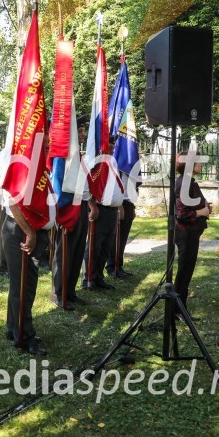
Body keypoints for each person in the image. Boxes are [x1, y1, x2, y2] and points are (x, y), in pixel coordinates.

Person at [0, 187, 55, 356]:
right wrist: (29, 232)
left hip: (32, 231)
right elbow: (13, 200)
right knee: (24, 288)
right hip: (22, 231)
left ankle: (13, 328)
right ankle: (25, 336)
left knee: (22, 285)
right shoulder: (26, 169)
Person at [51, 115, 92, 307]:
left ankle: (70, 291)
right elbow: (58, 184)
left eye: (83, 130)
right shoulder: (64, 155)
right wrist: (63, 213)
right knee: (65, 252)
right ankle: (59, 293)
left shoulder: (77, 155)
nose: (83, 134)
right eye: (80, 131)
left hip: (80, 205)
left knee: (77, 250)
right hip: (69, 208)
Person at [82, 135, 125, 291]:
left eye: (113, 145)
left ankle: (99, 277)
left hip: (112, 210)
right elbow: (87, 185)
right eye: (109, 146)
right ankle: (89, 279)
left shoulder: (111, 161)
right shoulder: (96, 162)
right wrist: (92, 205)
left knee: (106, 246)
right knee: (95, 246)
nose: (112, 148)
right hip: (100, 209)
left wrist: (119, 206)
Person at [174, 150, 212, 316]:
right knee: (184, 271)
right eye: (198, 161)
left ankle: (180, 307)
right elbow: (182, 213)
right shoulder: (185, 183)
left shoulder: (188, 182)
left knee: (186, 270)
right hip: (186, 233)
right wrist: (201, 212)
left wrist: (204, 207)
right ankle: (177, 309)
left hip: (191, 232)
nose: (201, 164)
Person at [106, 169, 139, 278]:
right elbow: (116, 188)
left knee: (123, 238)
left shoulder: (129, 168)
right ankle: (112, 267)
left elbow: (132, 189)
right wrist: (119, 206)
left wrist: (133, 206)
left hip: (128, 202)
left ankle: (119, 266)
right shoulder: (117, 168)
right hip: (120, 203)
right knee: (116, 238)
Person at [0, 147, 10, 277]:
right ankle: (3, 267)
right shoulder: (7, 152)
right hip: (5, 199)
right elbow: (4, 178)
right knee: (6, 233)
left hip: (7, 198)